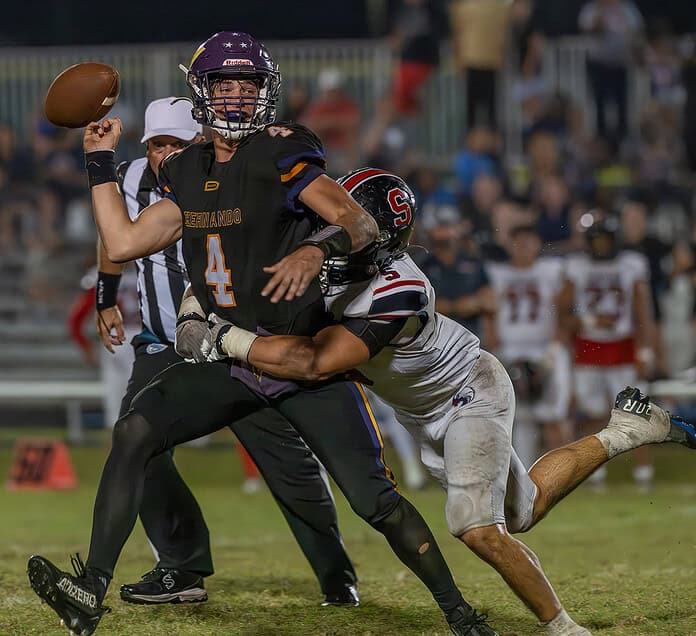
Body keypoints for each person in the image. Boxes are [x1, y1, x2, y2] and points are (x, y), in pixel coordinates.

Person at [27, 32, 494, 636]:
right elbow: (121, 243)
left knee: (372, 499)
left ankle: (459, 613)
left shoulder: (283, 149)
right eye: (226, 85)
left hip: (303, 359)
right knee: (134, 431)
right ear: (203, 91)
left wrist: (312, 248)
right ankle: (90, 589)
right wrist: (97, 161)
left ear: (265, 92)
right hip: (232, 357)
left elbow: (355, 220)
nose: (239, 96)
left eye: (249, 86)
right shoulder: (188, 167)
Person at [188, 167, 696, 636]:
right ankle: (629, 431)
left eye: (348, 220)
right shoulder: (323, 256)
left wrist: (224, 338)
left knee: (476, 528)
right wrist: (197, 298)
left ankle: (565, 630)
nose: (334, 226)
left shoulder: (399, 287)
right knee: (522, 512)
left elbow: (318, 362)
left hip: (467, 392)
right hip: (422, 409)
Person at [93, 96, 359, 607]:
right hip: (162, 340)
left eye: (174, 142)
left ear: (199, 139)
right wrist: (105, 295)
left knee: (288, 464)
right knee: (134, 443)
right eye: (155, 145)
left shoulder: (234, 173)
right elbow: (113, 239)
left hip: (234, 341)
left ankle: (335, 574)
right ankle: (181, 565)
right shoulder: (129, 179)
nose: (163, 154)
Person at [557, 218, 657, 489]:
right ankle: (594, 471)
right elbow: (562, 311)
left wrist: (645, 348)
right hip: (589, 346)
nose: (601, 246)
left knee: (635, 411)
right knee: (593, 412)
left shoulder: (631, 264)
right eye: (597, 240)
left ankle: (643, 471)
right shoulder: (576, 266)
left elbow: (641, 309)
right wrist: (590, 322)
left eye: (606, 240)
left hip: (623, 345)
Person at [486, 225, 572, 467]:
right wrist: (495, 348)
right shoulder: (496, 273)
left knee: (554, 414)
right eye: (519, 241)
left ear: (538, 244)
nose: (523, 247)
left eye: (529, 241)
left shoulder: (552, 270)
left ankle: (562, 471)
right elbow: (489, 312)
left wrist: (555, 345)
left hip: (546, 350)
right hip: (511, 351)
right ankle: (525, 474)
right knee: (520, 417)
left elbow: (565, 308)